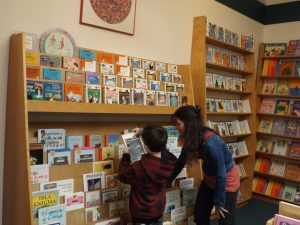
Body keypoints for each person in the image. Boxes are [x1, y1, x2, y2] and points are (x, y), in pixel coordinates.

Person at [169, 105, 240, 225]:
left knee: (225, 220)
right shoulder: (192, 137)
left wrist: (219, 201)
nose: (176, 127)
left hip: (226, 182)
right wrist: (167, 180)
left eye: (178, 124)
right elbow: (181, 161)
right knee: (200, 215)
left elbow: (221, 174)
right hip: (209, 179)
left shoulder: (212, 143)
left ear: (188, 123)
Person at [118, 126, 177, 225]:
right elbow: (162, 148)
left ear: (146, 147)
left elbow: (122, 175)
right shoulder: (170, 160)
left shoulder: (139, 167)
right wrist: (143, 133)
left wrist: (126, 156)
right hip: (158, 210)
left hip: (141, 214)